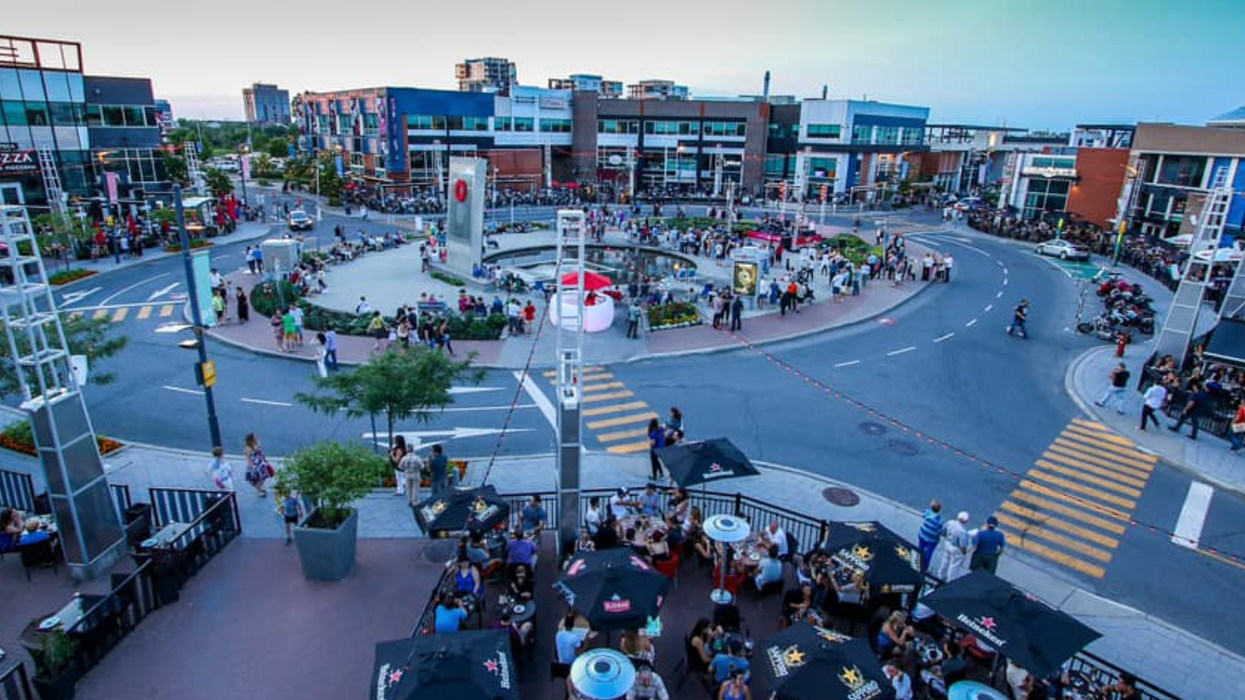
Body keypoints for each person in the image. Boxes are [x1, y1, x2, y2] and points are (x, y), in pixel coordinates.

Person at [936, 511, 971, 581]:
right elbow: (963, 545)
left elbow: (943, 531)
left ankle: (940, 576)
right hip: (956, 548)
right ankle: (950, 580)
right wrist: (964, 553)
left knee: (945, 561)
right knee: (954, 566)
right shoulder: (962, 531)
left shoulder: (950, 522)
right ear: (965, 521)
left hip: (948, 543)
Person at [243, 433, 272, 497]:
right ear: (251, 439)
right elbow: (248, 459)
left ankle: (261, 487)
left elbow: (261, 453)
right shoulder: (247, 448)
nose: (257, 437)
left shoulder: (257, 443)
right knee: (254, 479)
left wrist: (265, 461)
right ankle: (259, 489)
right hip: (254, 465)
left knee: (262, 477)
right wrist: (252, 467)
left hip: (261, 463)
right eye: (255, 437)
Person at [917, 500, 943, 573]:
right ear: (939, 509)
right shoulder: (940, 520)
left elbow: (924, 514)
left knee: (920, 548)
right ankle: (924, 568)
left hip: (923, 534)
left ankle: (917, 562)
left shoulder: (927, 512)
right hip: (932, 539)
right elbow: (940, 530)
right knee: (928, 553)